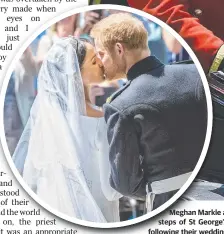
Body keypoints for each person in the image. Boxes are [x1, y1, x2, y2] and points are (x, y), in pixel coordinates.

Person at [90, 13, 207, 211]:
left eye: (101, 54)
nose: (100, 61)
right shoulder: (195, 73)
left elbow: (126, 184)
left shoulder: (120, 105)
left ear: (119, 49)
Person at [12, 37, 121, 222]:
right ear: (75, 73)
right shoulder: (102, 120)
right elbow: (111, 191)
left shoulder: (47, 122)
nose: (101, 63)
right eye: (94, 61)